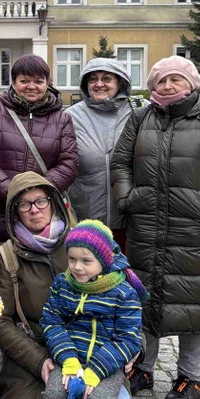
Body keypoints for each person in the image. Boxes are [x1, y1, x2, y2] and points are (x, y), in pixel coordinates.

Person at [111, 55, 200, 399]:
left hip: (195, 230)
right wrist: (127, 198)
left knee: (193, 304)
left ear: (191, 84)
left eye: (175, 80)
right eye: (161, 81)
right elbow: (120, 162)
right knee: (144, 298)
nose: (168, 87)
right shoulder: (140, 118)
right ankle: (143, 368)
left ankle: (190, 377)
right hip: (147, 226)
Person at [0, 173, 135, 399]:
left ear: (53, 201)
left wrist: (134, 348)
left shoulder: (85, 240)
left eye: (40, 200)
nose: (34, 209)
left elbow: (126, 294)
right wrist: (38, 359)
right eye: (24, 204)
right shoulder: (6, 257)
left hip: (93, 352)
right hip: (37, 357)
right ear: (14, 210)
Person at [39, 220, 147, 399]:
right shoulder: (63, 285)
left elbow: (129, 339)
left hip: (106, 364)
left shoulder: (123, 292)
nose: (77, 267)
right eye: (72, 259)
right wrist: (69, 360)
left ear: (104, 259)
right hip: (71, 359)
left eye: (86, 260)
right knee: (55, 395)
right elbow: (51, 321)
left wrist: (96, 370)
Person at [0, 54, 78, 244]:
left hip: (43, 211)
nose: (31, 86)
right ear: (13, 82)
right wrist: (12, 190)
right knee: (2, 266)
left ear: (47, 83)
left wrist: (37, 194)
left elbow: (69, 163)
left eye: (38, 81)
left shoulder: (62, 120)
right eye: (24, 81)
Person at [64, 58, 144, 253]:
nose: (99, 84)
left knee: (127, 274)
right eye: (93, 79)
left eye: (106, 78)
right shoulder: (71, 116)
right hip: (86, 215)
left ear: (120, 82)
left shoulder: (141, 111)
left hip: (131, 217)